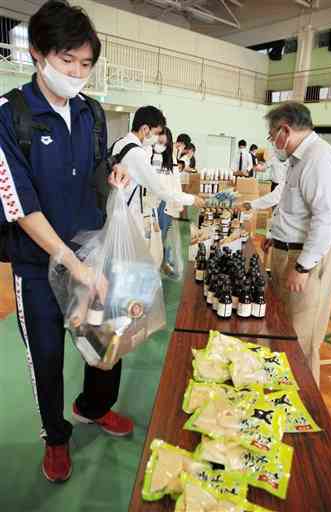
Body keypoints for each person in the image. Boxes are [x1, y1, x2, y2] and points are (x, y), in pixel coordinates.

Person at [0, 0, 132, 484]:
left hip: (92, 252)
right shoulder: (10, 117)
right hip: (39, 266)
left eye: (86, 63)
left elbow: (96, 167)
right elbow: (21, 206)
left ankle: (94, 407)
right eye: (66, 60)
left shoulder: (93, 112)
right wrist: (72, 267)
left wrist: (112, 173)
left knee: (105, 342)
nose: (77, 72)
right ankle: (56, 438)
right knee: (48, 357)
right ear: (37, 54)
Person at [261, 101, 331, 386]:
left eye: (272, 136)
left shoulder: (319, 159)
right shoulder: (299, 160)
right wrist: (276, 235)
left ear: (285, 130)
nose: (273, 142)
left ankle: (304, 411)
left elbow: (326, 220)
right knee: (283, 328)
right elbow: (296, 210)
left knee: (301, 338)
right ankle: (281, 396)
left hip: (309, 259)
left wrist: (303, 266)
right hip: (291, 252)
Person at [111, 107, 204, 235]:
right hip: (127, 216)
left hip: (114, 211)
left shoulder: (119, 143)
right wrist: (191, 199)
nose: (156, 139)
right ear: (145, 129)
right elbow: (160, 190)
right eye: (156, 134)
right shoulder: (138, 154)